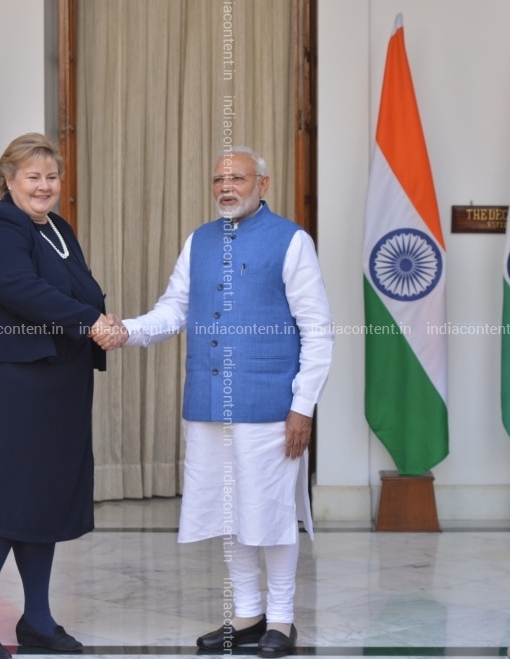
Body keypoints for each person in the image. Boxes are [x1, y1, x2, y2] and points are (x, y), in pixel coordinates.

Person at [95, 146, 333, 658]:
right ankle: (247, 615)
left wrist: (303, 406)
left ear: (262, 185)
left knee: (271, 513)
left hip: (270, 407)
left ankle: (282, 619)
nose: (227, 188)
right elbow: (173, 310)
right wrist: (127, 331)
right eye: (219, 180)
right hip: (207, 403)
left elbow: (318, 330)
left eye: (238, 179)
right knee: (230, 512)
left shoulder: (292, 240)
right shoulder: (198, 240)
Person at [0, 133, 114, 659]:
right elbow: (20, 288)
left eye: (52, 176)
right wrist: (91, 320)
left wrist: (101, 317)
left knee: (42, 498)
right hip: (3, 384)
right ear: (9, 180)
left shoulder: (59, 229)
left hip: (54, 384)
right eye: (33, 176)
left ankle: (37, 619)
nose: (44, 186)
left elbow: (81, 291)